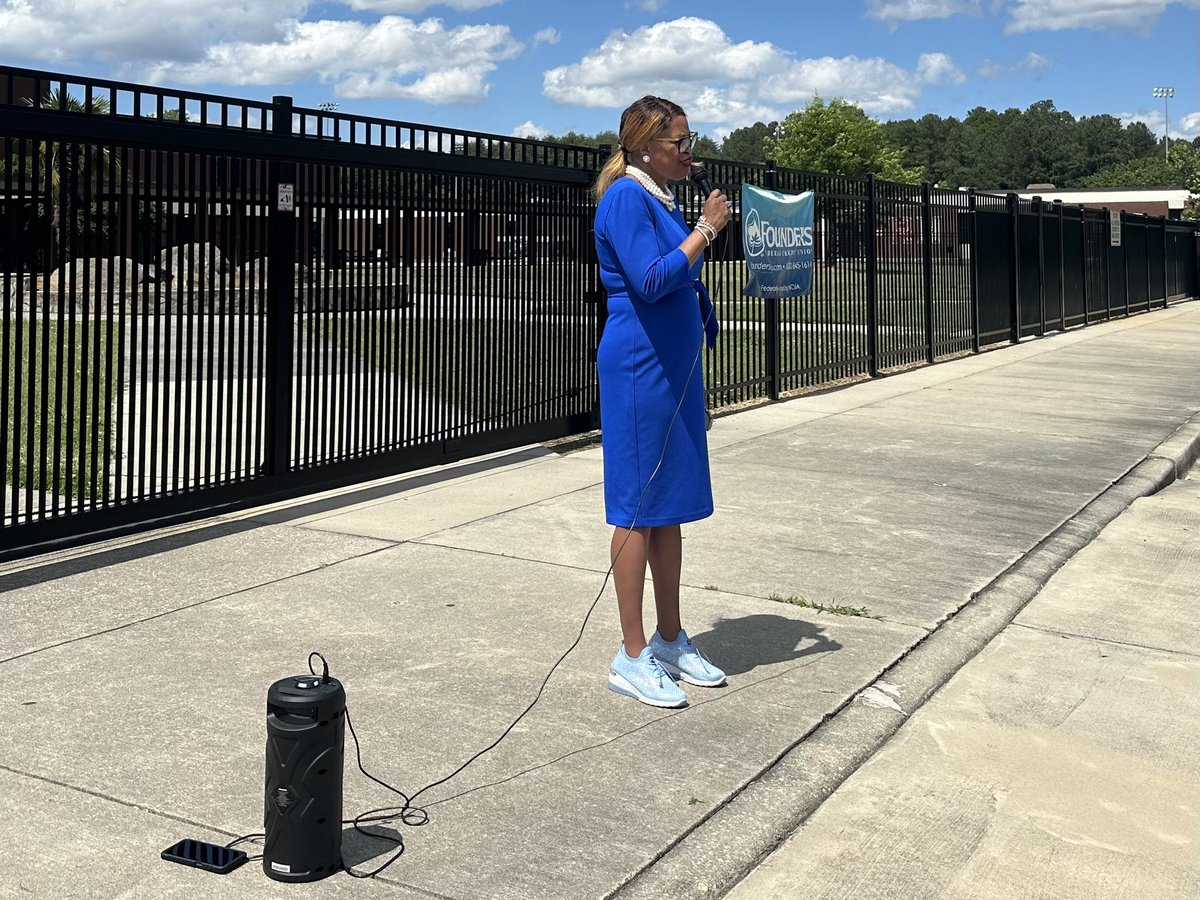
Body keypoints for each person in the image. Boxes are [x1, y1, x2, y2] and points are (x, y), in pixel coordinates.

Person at [592, 96, 733, 708]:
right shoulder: (625, 196)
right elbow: (649, 279)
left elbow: (678, 280)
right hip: (637, 368)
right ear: (647, 143)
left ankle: (670, 636)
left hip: (670, 369)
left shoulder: (656, 197)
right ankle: (630, 654)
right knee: (635, 506)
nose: (690, 152)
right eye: (681, 142)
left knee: (666, 505)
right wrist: (705, 232)